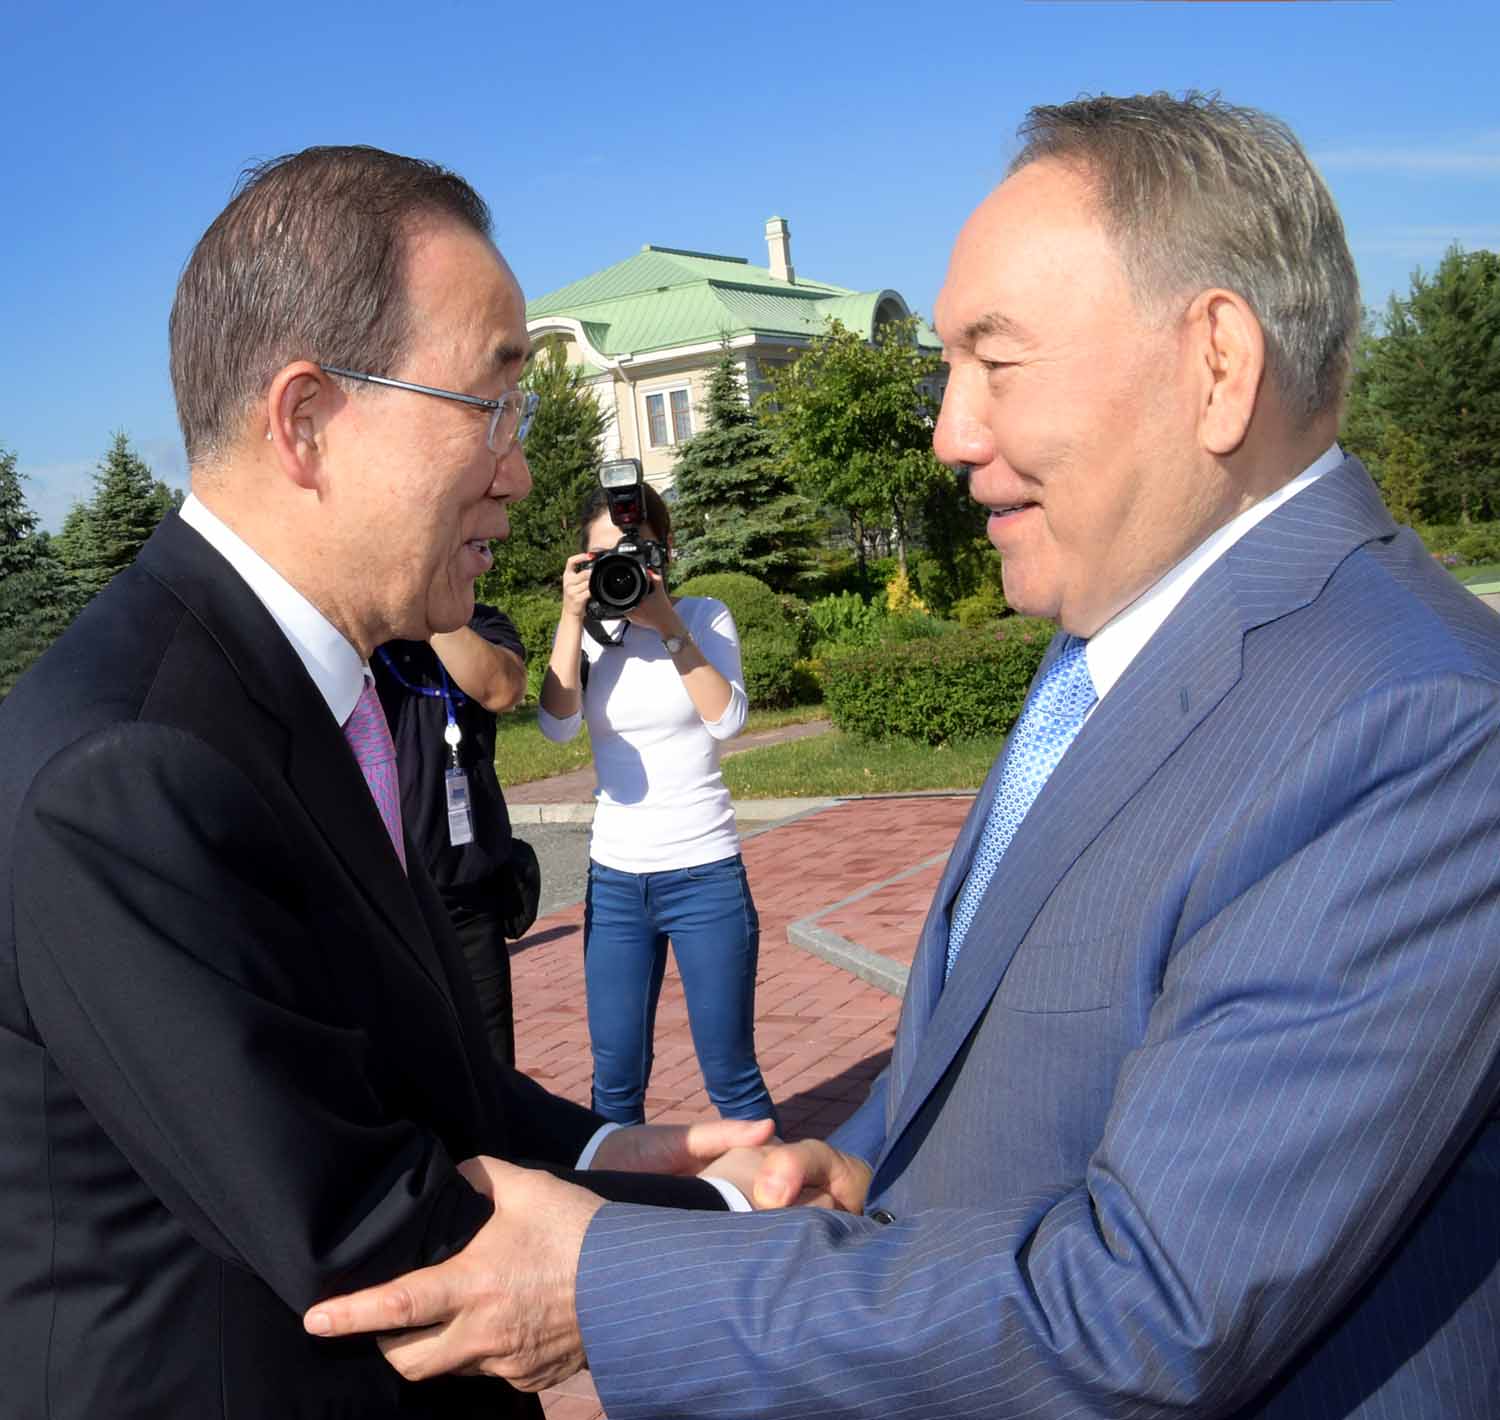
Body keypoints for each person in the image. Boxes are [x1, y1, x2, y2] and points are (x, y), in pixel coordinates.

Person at [307, 95, 1500, 1418]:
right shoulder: (1119, 631)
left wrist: (606, 1288)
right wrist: (864, 1166)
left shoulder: (1419, 727)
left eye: (997, 361)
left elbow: (1147, 1316)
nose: (949, 432)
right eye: (948, 367)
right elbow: (994, 1057)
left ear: (1215, 364)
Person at [0, 144, 770, 1420]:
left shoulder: (306, 690)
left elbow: (405, 1067)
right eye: (491, 405)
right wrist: (750, 1219)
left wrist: (604, 1147)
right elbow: (374, 1234)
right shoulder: (127, 770)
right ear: (307, 422)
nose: (520, 470)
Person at [537, 483, 777, 1126]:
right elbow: (556, 727)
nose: (616, 570)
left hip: (705, 873)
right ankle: (622, 1193)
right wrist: (571, 618)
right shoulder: (590, 636)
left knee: (731, 1077)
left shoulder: (703, 615)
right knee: (614, 1085)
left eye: (631, 553)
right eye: (600, 558)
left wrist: (667, 624)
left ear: (663, 551)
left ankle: (784, 1192)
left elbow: (728, 720)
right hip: (616, 880)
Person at [374, 607, 531, 1068]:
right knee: (399, 1070)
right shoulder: (365, 635)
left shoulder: (479, 624)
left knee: (490, 1067)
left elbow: (501, 689)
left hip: (467, 898)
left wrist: (430, 609)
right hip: (384, 901)